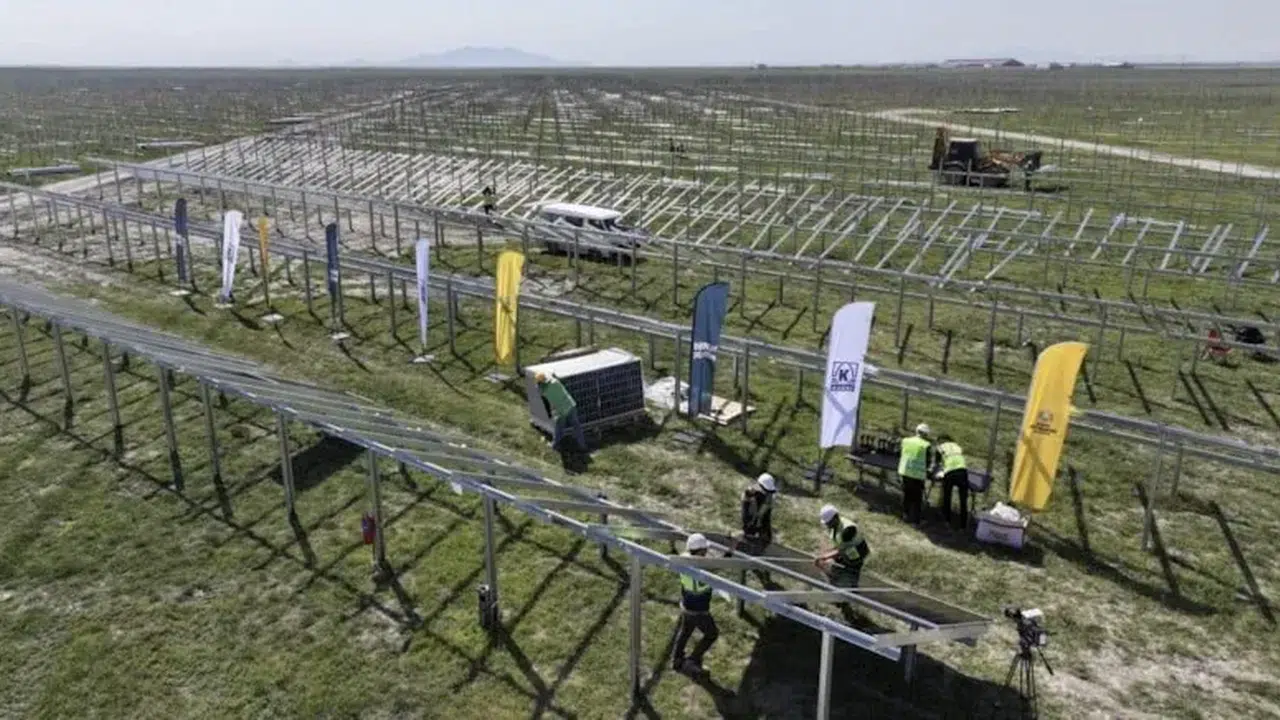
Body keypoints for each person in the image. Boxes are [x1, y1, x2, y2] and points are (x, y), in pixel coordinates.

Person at [673, 533, 719, 677]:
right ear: (699, 552)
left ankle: (677, 660)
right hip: (700, 611)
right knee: (712, 634)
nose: (706, 552)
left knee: (685, 632)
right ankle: (692, 661)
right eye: (704, 550)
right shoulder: (702, 570)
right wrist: (730, 550)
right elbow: (721, 565)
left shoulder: (683, 559)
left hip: (687, 606)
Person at [814, 504, 870, 589]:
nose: (827, 525)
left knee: (851, 574)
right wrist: (825, 554)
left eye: (828, 522)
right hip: (846, 553)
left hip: (856, 555)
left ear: (835, 517)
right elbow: (838, 545)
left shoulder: (847, 530)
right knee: (836, 570)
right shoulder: (834, 526)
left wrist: (824, 557)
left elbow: (841, 550)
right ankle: (839, 587)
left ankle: (851, 592)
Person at [536, 371, 587, 452]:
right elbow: (553, 377)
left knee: (559, 429)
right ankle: (582, 445)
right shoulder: (556, 382)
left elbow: (540, 392)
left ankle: (555, 445)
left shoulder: (544, 391)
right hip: (570, 405)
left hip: (561, 411)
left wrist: (539, 385)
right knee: (576, 426)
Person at [899, 423, 936, 525]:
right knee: (917, 499)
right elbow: (928, 461)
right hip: (917, 475)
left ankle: (905, 515)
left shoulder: (906, 441)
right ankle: (916, 521)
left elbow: (901, 453)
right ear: (925, 434)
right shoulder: (926, 445)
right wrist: (930, 470)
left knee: (906, 494)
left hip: (905, 472)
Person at [936, 434, 970, 529]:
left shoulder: (940, 447)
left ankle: (947, 520)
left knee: (947, 496)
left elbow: (937, 464)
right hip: (962, 471)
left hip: (950, 472)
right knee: (963, 500)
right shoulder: (957, 447)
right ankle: (963, 524)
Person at [740, 473, 777, 548]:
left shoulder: (769, 499)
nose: (766, 493)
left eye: (768, 491)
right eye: (765, 490)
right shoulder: (748, 495)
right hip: (745, 529)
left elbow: (766, 518)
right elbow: (745, 516)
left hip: (757, 529)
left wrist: (766, 534)